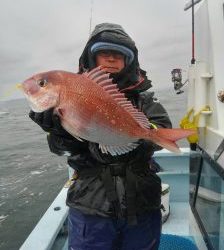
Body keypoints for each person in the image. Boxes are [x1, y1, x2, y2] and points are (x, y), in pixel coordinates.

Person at [29, 23, 172, 250]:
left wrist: (136, 139)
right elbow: (60, 149)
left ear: (130, 61)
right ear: (91, 58)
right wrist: (57, 130)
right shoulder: (72, 94)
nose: (112, 59)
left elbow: (163, 128)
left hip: (143, 203)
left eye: (119, 55)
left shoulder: (144, 100)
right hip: (90, 206)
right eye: (104, 53)